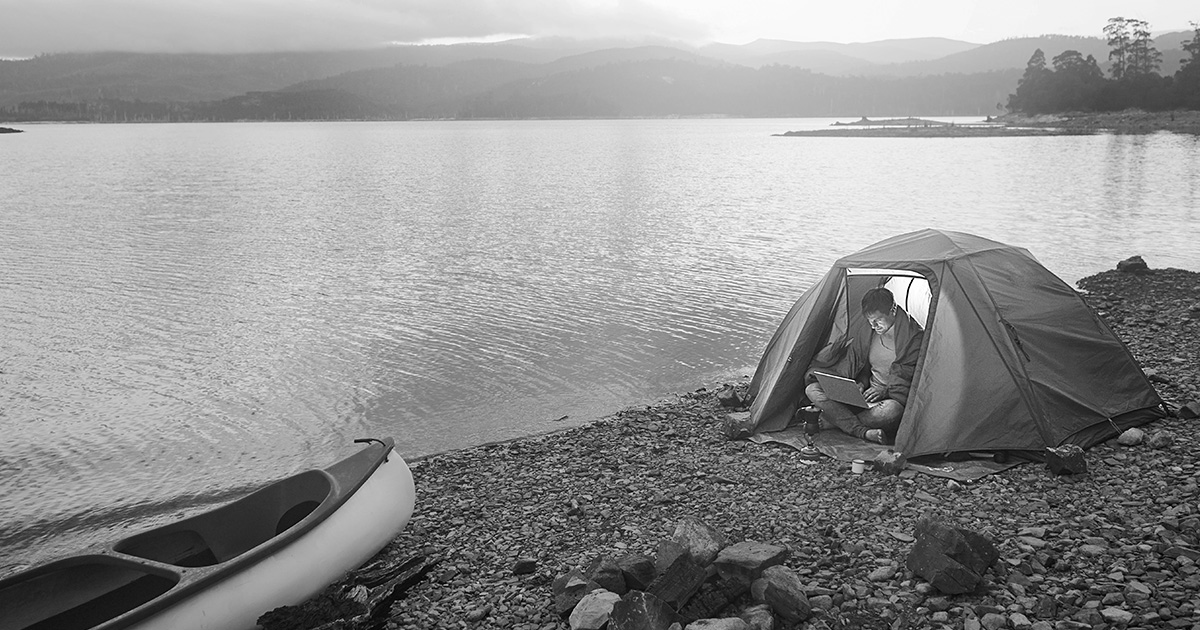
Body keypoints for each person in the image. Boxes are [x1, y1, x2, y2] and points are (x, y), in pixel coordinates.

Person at [803, 287, 923, 444]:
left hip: (887, 400)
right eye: (870, 321)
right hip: (865, 396)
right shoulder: (869, 331)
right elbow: (863, 366)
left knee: (892, 411)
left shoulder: (914, 338)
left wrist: (884, 391)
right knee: (813, 389)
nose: (873, 326)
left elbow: (914, 380)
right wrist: (861, 383)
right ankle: (862, 430)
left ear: (893, 310)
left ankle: (835, 422)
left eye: (878, 320)